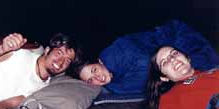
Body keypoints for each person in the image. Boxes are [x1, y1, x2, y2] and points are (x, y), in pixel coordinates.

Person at [75, 20, 219, 100]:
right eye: (90, 80)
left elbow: (146, 73)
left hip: (176, 38)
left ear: (99, 61)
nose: (97, 78)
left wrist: (115, 88)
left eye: (94, 70)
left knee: (204, 68)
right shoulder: (111, 74)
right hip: (166, 53)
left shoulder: (116, 54)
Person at [0, 32, 82, 109]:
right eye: (59, 53)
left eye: (67, 61)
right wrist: (3, 48)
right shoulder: (19, 53)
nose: (60, 62)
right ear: (47, 50)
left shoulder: (41, 89)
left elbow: (5, 104)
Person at [147, 46, 219, 109]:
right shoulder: (169, 98)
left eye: (174, 53)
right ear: (164, 77)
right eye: (164, 62)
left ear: (187, 57)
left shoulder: (213, 72)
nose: (172, 59)